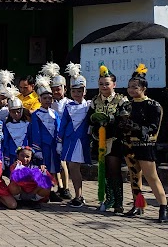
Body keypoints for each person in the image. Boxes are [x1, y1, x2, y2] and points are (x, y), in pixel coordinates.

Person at [123, 65, 167, 222]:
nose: (131, 90)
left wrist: (138, 129)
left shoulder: (153, 106)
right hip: (129, 146)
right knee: (134, 177)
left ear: (144, 88)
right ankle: (138, 206)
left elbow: (154, 128)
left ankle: (163, 207)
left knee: (151, 177)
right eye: (129, 87)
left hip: (145, 146)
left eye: (135, 87)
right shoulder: (127, 105)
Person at [89, 65, 130, 213]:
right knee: (103, 170)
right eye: (101, 84)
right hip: (100, 140)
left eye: (107, 83)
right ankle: (109, 198)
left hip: (115, 139)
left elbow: (125, 119)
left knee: (114, 170)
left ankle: (119, 202)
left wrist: (112, 121)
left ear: (114, 84)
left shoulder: (121, 100)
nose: (104, 86)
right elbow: (90, 119)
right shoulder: (94, 100)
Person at [59, 63, 91, 208]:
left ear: (84, 91)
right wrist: (59, 141)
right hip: (69, 140)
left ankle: (79, 195)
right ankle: (78, 195)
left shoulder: (89, 106)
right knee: (72, 168)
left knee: (73, 167)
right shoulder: (68, 106)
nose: (77, 94)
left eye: (80, 91)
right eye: (74, 91)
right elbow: (63, 124)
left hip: (81, 141)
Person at [28, 74, 62, 202]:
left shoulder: (54, 114)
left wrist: (59, 143)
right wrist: (37, 149)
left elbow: (58, 128)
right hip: (43, 145)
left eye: (50, 98)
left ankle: (51, 190)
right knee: (44, 168)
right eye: (45, 98)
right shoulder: (36, 115)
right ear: (40, 99)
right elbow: (35, 132)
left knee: (53, 168)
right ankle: (43, 191)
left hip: (53, 146)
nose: (48, 100)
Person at [46, 62, 72, 198]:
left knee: (63, 163)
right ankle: (58, 186)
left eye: (59, 89)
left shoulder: (69, 103)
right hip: (52, 136)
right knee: (53, 162)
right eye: (54, 89)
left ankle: (66, 188)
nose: (56, 91)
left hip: (64, 136)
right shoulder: (49, 104)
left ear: (65, 89)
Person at [1, 85, 29, 169]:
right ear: (9, 112)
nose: (16, 114)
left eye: (18, 111)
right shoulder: (6, 125)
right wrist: (6, 155)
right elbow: (5, 141)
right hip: (12, 155)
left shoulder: (28, 124)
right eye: (13, 112)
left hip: (26, 156)